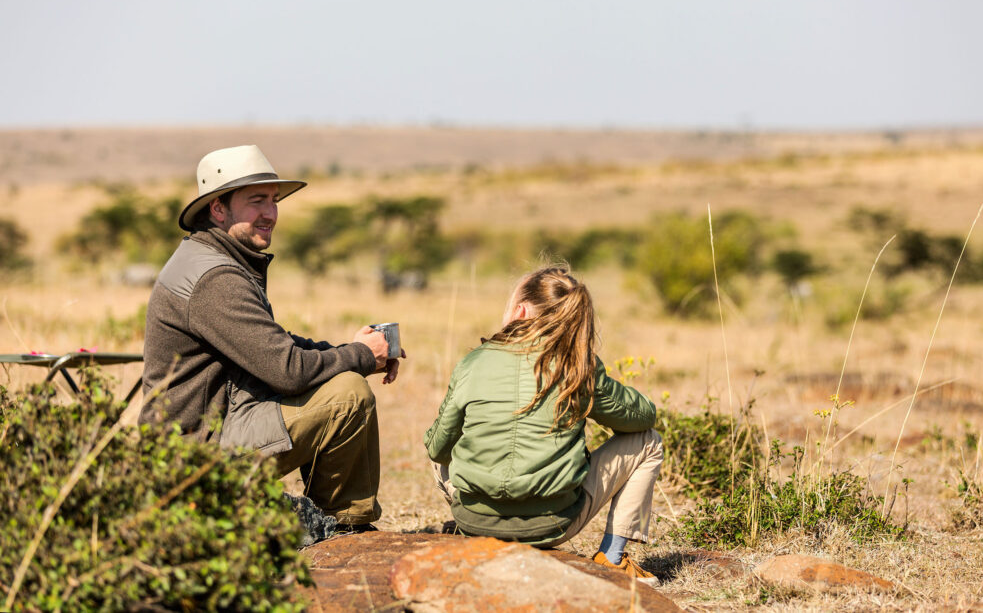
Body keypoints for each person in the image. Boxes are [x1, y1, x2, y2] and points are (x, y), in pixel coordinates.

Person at [140, 145, 402, 531]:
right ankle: (345, 527)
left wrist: (350, 349)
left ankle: (335, 524)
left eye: (274, 201)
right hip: (191, 464)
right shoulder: (216, 278)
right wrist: (360, 356)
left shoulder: (212, 257)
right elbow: (288, 371)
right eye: (256, 201)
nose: (270, 213)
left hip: (208, 437)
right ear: (218, 208)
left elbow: (273, 343)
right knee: (348, 394)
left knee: (341, 377)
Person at [424, 266, 664, 584]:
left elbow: (438, 449)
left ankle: (483, 521)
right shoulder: (579, 367)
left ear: (521, 311)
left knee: (439, 439)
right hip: (551, 525)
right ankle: (613, 557)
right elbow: (644, 418)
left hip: (475, 522)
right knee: (648, 441)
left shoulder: (474, 361)